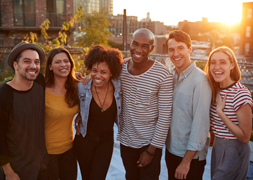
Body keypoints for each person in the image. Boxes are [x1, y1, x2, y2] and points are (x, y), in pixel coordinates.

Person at [0, 41, 47, 180]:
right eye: (27, 61)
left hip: (41, 166)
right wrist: (8, 172)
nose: (33, 66)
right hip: (16, 171)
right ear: (15, 65)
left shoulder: (39, 81)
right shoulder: (1, 98)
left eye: (37, 62)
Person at [119, 28, 173, 180]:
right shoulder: (120, 69)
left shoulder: (163, 75)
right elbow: (100, 79)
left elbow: (165, 117)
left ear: (152, 49)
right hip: (126, 142)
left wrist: (151, 151)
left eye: (144, 46)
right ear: (130, 44)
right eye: (135, 44)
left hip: (149, 144)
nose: (138, 50)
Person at [165, 30, 212, 180]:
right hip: (171, 150)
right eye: (171, 49)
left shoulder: (200, 81)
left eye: (180, 48)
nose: (176, 53)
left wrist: (186, 162)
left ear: (190, 49)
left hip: (189, 158)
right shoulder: (169, 76)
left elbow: (201, 126)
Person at [74, 45, 123, 180]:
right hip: (84, 140)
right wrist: (78, 114)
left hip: (106, 142)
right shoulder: (82, 87)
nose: (97, 76)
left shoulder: (118, 87)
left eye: (103, 72)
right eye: (94, 71)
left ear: (111, 72)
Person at [204, 46, 253, 180]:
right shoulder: (214, 89)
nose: (216, 67)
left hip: (235, 149)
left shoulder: (240, 94)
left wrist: (221, 112)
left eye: (222, 62)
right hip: (218, 147)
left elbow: (245, 137)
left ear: (232, 64)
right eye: (213, 62)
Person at [44, 47, 79, 180]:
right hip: (47, 153)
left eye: (66, 61)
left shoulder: (76, 87)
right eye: (58, 62)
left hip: (69, 150)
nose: (63, 65)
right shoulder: (41, 91)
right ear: (50, 67)